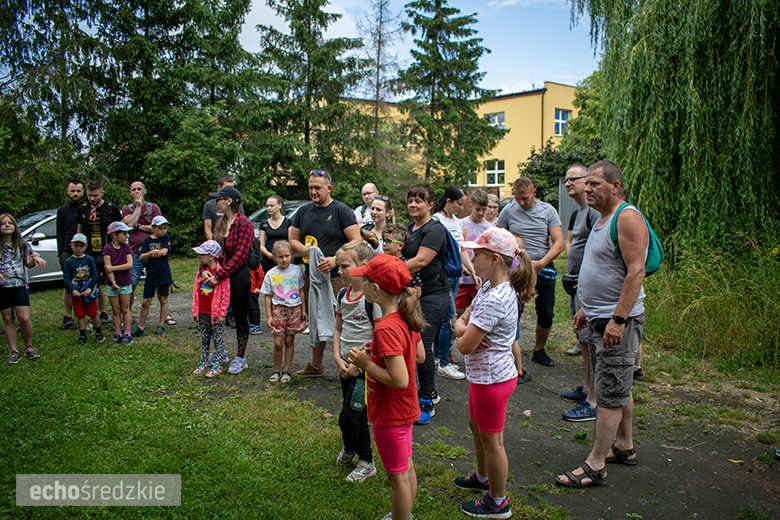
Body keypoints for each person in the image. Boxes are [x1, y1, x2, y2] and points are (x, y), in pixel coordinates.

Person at [556, 160, 648, 489]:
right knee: (617, 385)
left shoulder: (627, 216)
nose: (588, 188)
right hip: (599, 317)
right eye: (588, 183)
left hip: (616, 322)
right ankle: (623, 446)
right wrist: (586, 308)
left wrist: (618, 319)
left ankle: (596, 465)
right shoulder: (600, 218)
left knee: (609, 393)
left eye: (595, 183)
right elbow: (602, 267)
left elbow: (636, 271)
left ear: (616, 186)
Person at [453, 226, 536, 519]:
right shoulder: (490, 286)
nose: (472, 258)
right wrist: (461, 325)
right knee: (477, 428)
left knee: (493, 441)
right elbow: (460, 319)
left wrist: (461, 328)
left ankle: (498, 501)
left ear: (495, 259)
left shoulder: (494, 299)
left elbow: (463, 345)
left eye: (477, 254)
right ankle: (482, 477)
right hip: (484, 376)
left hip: (492, 379)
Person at [347, 254, 426, 520]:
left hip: (390, 413)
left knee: (397, 479)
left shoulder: (385, 327)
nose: (362, 282)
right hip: (405, 410)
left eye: (366, 280)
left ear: (376, 290)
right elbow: (419, 355)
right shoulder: (406, 317)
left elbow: (400, 380)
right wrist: (380, 354)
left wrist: (366, 362)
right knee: (407, 469)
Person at [289, 170, 361, 377]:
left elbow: (356, 240)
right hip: (313, 276)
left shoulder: (341, 210)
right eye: (310, 187)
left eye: (317, 188)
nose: (313, 191)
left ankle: (351, 366)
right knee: (317, 320)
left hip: (340, 277)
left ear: (329, 188)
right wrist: (308, 252)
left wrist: (336, 259)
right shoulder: (303, 211)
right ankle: (316, 365)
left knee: (346, 320)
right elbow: (293, 238)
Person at [497, 177, 564, 368]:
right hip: (517, 268)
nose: (521, 203)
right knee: (513, 311)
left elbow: (559, 242)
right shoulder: (508, 211)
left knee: (546, 312)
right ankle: (509, 349)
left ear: (534, 193)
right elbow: (499, 237)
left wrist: (542, 263)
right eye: (518, 199)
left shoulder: (548, 210)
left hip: (543, 266)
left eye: (525, 198)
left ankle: (539, 350)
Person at [333, 242, 381, 483]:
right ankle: (354, 451)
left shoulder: (372, 298)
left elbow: (379, 337)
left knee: (351, 416)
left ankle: (365, 459)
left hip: (363, 369)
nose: (339, 271)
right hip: (344, 365)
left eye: (344, 266)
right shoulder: (342, 294)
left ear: (362, 267)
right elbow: (338, 328)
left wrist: (359, 364)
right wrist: (336, 357)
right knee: (353, 415)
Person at [402, 186, 450, 424]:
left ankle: (427, 398)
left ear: (430, 205)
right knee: (410, 345)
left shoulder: (435, 229)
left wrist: (389, 270)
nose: (413, 205)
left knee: (423, 345)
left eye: (419, 201)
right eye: (410, 201)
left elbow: (420, 261)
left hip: (433, 294)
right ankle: (412, 394)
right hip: (411, 294)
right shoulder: (408, 228)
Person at [560, 165, 601, 422]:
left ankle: (594, 400)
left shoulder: (594, 212)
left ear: (587, 181)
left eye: (572, 179)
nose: (567, 183)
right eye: (565, 180)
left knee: (593, 344)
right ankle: (587, 388)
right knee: (584, 342)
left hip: (586, 289)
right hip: (576, 285)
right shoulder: (579, 212)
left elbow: (599, 248)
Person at [202, 186, 254, 374]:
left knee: (240, 316)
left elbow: (241, 255)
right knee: (216, 315)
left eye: (219, 199)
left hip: (239, 275)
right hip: (220, 274)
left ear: (229, 201)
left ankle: (240, 357)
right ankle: (221, 352)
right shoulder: (220, 224)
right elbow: (214, 250)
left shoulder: (244, 223)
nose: (215, 203)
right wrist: (206, 271)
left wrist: (219, 275)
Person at [432, 185, 473, 381]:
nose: (461, 208)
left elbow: (461, 250)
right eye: (459, 204)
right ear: (448, 201)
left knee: (445, 318)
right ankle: (444, 362)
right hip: (442, 277)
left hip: (456, 276)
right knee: (450, 316)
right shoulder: (436, 221)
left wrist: (472, 270)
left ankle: (439, 356)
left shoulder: (457, 222)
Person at [0, 214, 47, 363]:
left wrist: (35, 259)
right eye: (3, 223)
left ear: (15, 227)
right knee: (7, 319)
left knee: (24, 318)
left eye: (10, 223)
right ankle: (14, 351)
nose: (7, 225)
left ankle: (28, 346)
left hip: (19, 286)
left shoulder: (22, 244)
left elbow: (28, 263)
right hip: (2, 288)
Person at [77, 180, 122, 326]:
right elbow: (80, 230)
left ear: (102, 193)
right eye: (89, 195)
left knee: (113, 282)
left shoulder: (111, 208)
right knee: (93, 284)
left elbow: (119, 229)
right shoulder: (82, 209)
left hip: (107, 251)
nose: (92, 198)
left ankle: (118, 314)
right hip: (89, 252)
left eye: (95, 195)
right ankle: (96, 314)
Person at [261, 241, 306, 383]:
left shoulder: (297, 270)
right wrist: (269, 316)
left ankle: (286, 370)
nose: (284, 259)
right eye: (280, 257)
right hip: (278, 310)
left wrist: (304, 309)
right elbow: (267, 296)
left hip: (295, 309)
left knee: (289, 340)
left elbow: (301, 291)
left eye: (287, 256)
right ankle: (276, 369)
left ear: (291, 256)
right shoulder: (270, 274)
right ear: (274, 257)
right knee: (278, 343)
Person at [191, 240, 230, 378]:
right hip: (203, 312)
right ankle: (204, 361)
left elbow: (225, 295)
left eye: (202, 254)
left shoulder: (221, 274)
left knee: (218, 339)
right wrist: (196, 310)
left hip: (215, 315)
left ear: (211, 257)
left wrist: (222, 313)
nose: (199, 256)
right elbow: (196, 292)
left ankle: (218, 364)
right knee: (204, 337)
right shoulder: (201, 273)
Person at [121, 181, 162, 309]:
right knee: (131, 284)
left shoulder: (153, 208)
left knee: (159, 282)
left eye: (139, 189)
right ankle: (127, 315)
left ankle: (164, 313)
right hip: (134, 252)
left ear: (145, 191)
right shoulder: (127, 209)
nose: (137, 192)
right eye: (134, 189)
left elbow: (158, 229)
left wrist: (138, 226)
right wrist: (138, 208)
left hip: (153, 250)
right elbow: (128, 225)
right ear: (130, 192)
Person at [132, 216, 173, 339]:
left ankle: (161, 325)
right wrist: (150, 253)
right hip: (151, 275)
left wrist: (153, 254)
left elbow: (164, 252)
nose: (163, 231)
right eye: (160, 228)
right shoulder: (147, 241)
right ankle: (140, 326)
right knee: (146, 301)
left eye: (165, 228)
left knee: (163, 299)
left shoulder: (166, 238)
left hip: (164, 274)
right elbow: (141, 257)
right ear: (153, 228)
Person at [456, 188, 492, 316]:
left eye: (484, 209)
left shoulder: (489, 229)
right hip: (463, 279)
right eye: (478, 209)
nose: (481, 213)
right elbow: (458, 249)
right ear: (470, 206)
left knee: (478, 313)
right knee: (457, 313)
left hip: (481, 280)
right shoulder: (460, 224)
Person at [64, 233, 104, 344]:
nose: (78, 248)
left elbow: (95, 275)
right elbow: (67, 277)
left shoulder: (89, 259)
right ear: (71, 246)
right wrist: (72, 290)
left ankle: (99, 332)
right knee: (79, 314)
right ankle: (82, 335)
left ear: (85, 247)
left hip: (88, 289)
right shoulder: (69, 261)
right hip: (76, 289)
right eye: (76, 245)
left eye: (81, 246)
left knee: (93, 312)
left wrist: (90, 288)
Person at [56, 179, 85, 329]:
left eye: (78, 191)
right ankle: (68, 315)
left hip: (85, 249)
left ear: (83, 192)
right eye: (72, 191)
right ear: (68, 192)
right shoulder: (62, 210)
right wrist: (61, 253)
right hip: (67, 251)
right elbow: (59, 233)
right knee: (68, 284)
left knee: (88, 282)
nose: (75, 193)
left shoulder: (87, 208)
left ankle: (89, 313)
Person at [103, 221, 134, 345]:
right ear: (114, 235)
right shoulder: (107, 248)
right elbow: (107, 267)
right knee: (115, 310)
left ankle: (127, 332)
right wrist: (114, 283)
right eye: (124, 233)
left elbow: (129, 264)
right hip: (112, 284)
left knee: (125, 308)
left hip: (125, 282)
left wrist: (113, 268)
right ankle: (117, 333)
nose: (127, 236)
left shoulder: (127, 248)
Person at [382, 224, 422, 295]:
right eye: (383, 240)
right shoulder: (381, 262)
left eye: (388, 241)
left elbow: (417, 291)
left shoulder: (408, 263)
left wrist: (398, 288)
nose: (384, 244)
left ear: (400, 245)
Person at [202, 175, 244, 240]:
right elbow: (208, 230)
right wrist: (215, 246)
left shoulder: (243, 220)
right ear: (219, 187)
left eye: (232, 187)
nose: (230, 190)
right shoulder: (209, 205)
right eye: (227, 187)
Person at [258, 195, 291, 274]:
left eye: (272, 206)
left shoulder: (288, 222)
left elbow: (291, 241)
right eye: (267, 206)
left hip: (284, 258)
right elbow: (261, 244)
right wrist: (269, 255)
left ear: (279, 206)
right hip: (269, 258)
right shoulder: (264, 224)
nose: (269, 208)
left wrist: (284, 256)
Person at [248, 258, 265, 335]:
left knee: (253, 308)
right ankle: (251, 323)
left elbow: (261, 275)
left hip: (253, 289)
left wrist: (258, 287)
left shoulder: (255, 262)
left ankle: (256, 324)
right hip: (246, 289)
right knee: (248, 308)